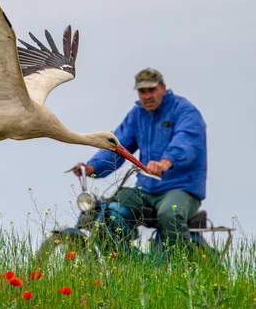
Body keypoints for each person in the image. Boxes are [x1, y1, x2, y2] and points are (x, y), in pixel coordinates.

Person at [74, 68, 207, 248]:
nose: (147, 96)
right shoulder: (137, 115)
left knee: (170, 213)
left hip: (180, 188)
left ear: (163, 88)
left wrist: (165, 163)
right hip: (145, 188)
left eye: (151, 90)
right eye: (142, 91)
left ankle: (183, 266)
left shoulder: (185, 112)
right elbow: (118, 145)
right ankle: (122, 263)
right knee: (105, 210)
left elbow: (186, 142)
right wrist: (92, 167)